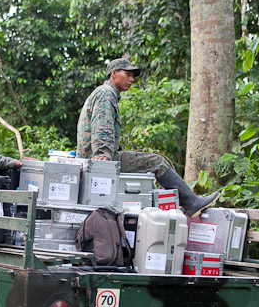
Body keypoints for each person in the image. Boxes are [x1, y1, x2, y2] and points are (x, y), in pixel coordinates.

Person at [77, 58, 219, 216]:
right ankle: (191, 202)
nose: (132, 79)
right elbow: (102, 126)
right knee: (157, 162)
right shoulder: (105, 94)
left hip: (93, 157)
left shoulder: (106, 94)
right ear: (114, 73)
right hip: (97, 159)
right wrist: (102, 154)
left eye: (133, 76)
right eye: (128, 74)